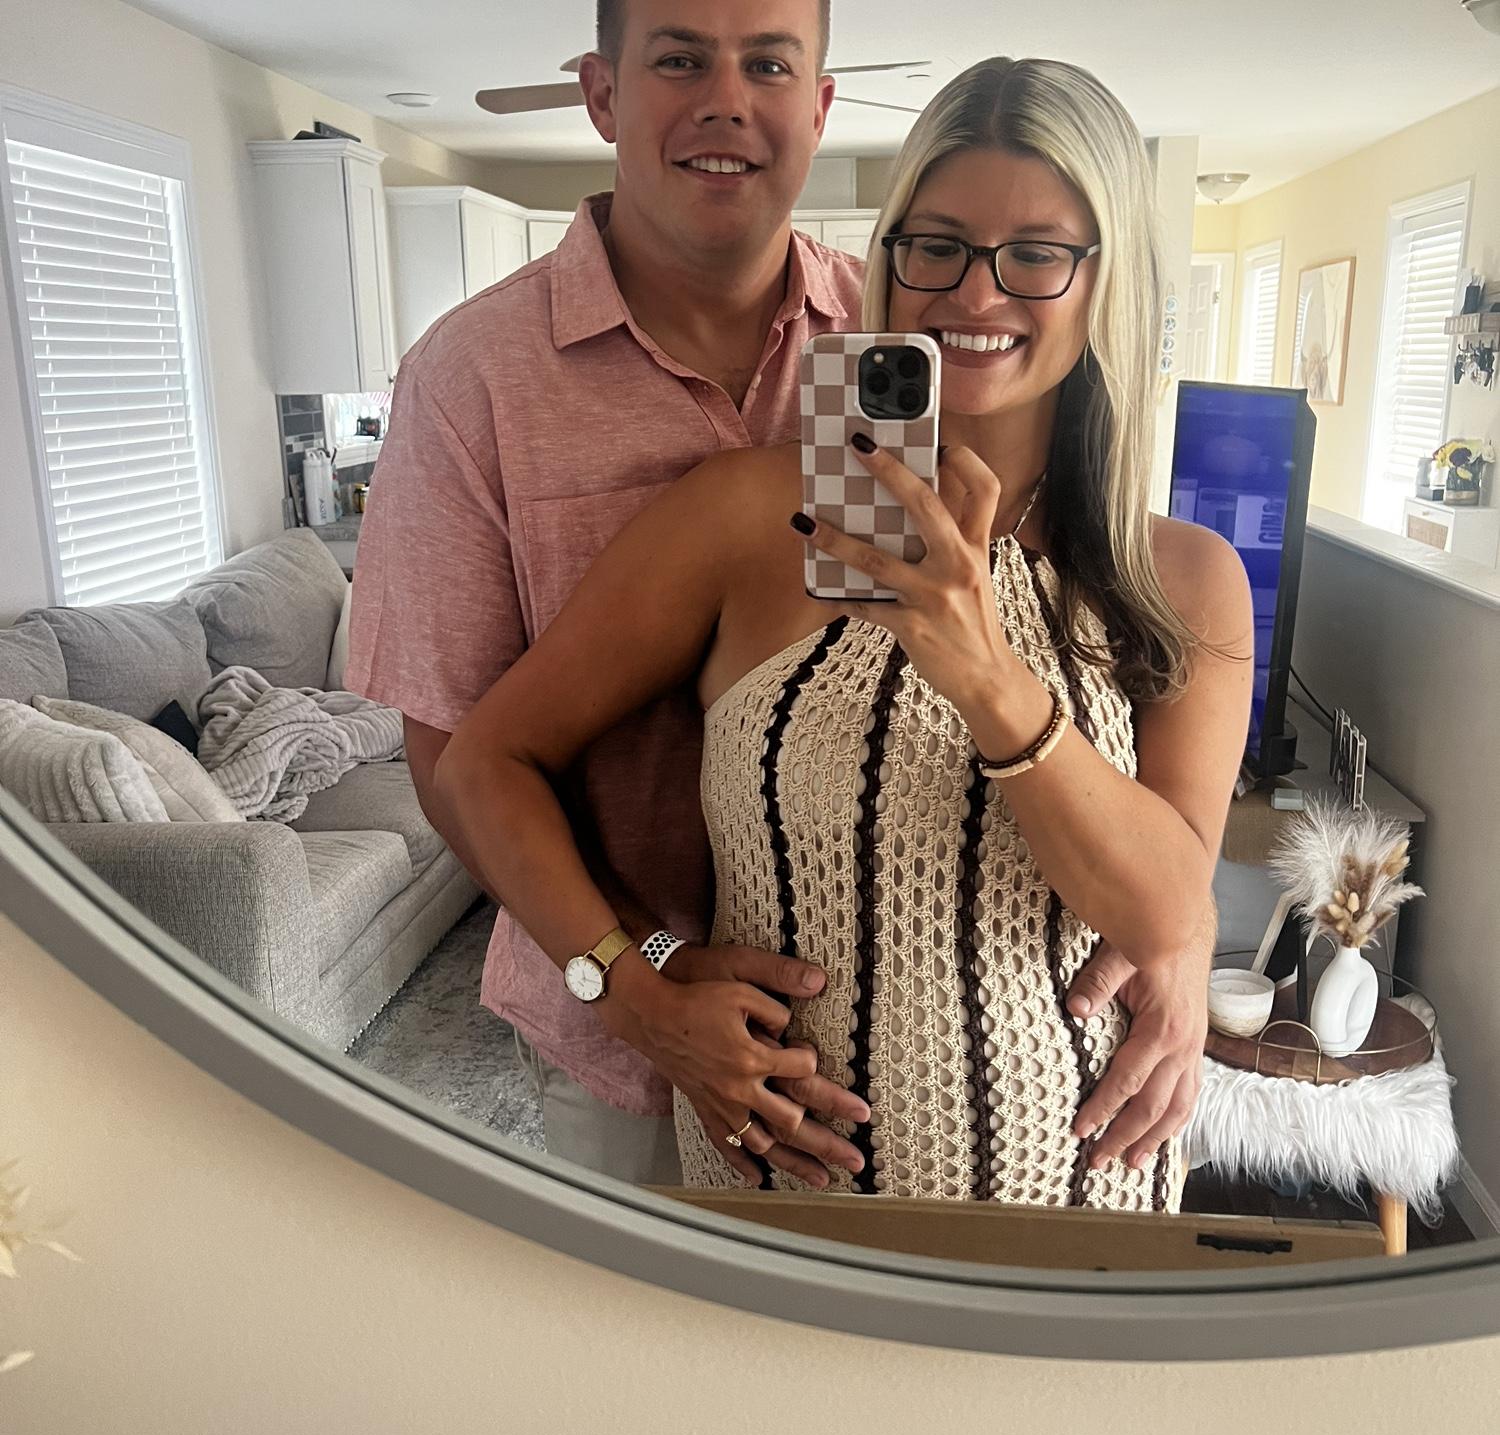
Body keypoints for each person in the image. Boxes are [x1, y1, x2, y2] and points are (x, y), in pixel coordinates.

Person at [429, 54, 1252, 1209]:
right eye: (936, 246)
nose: (976, 296)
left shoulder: (1186, 580)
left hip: (1087, 1212)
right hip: (783, 1204)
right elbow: (483, 762)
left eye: (1038, 254)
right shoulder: (748, 517)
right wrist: (639, 980)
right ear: (887, 257)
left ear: (1106, 279)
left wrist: (986, 672)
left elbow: (1168, 913)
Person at [346, 0, 871, 1189]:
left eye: (769, 63)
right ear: (602, 95)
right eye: (680, 59)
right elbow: (451, 756)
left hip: (875, 1015)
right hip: (618, 1032)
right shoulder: (470, 381)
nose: (727, 101)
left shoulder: (894, 341)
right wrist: (638, 984)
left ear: (819, 106)